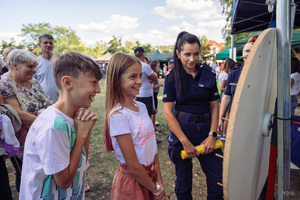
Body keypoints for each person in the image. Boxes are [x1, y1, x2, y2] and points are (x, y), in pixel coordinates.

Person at [19, 51, 102, 199]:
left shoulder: (72, 118)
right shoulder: (54, 126)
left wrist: (86, 131)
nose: (98, 90)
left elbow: (80, 163)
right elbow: (64, 181)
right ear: (67, 83)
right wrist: (82, 134)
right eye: (93, 83)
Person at [163, 31, 223, 199]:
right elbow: (168, 113)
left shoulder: (209, 73)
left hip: (206, 131)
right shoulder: (172, 77)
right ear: (178, 53)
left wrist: (212, 135)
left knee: (219, 181)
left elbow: (215, 106)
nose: (192, 58)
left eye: (196, 54)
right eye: (187, 54)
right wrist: (185, 142)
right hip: (182, 132)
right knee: (183, 185)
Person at [104, 52, 170, 200]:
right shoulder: (119, 116)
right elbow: (133, 166)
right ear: (116, 80)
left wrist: (159, 181)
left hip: (150, 178)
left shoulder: (141, 106)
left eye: (140, 75)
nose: (140, 81)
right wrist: (156, 190)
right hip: (133, 183)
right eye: (133, 76)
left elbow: (152, 148)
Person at [0, 49, 53, 192]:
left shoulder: (33, 81)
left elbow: (47, 101)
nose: (34, 70)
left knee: (42, 172)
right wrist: (46, 122)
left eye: (35, 67)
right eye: (30, 67)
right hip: (24, 141)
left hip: (42, 134)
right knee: (26, 174)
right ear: (15, 65)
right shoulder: (5, 83)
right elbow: (17, 113)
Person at [218, 35, 258, 134]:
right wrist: (220, 118)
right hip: (236, 120)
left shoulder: (264, 73)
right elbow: (227, 96)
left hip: (256, 121)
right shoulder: (234, 73)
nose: (250, 53)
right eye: (247, 51)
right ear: (242, 54)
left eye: (254, 50)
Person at [34, 33, 59, 103]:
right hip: (42, 102)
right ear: (39, 45)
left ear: (53, 46)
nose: (48, 45)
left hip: (60, 101)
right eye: (45, 42)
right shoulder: (35, 62)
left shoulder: (59, 61)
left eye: (50, 43)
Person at [134, 47, 158, 117]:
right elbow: (155, 77)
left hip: (137, 94)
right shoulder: (145, 66)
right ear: (143, 54)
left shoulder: (132, 65)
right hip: (146, 95)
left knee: (139, 115)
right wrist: (151, 78)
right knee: (147, 116)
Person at [150, 60, 164, 133]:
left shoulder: (155, 74)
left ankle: (154, 127)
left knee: (154, 111)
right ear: (154, 66)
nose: (159, 68)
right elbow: (152, 87)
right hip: (153, 94)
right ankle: (153, 128)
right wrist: (159, 85)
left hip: (155, 95)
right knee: (153, 112)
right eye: (158, 66)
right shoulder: (152, 74)